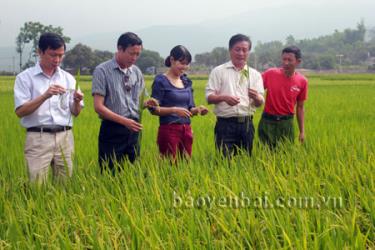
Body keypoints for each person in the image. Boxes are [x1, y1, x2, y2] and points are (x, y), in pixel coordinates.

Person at [14, 32, 84, 183]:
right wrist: (45, 95)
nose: (57, 60)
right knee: (37, 186)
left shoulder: (68, 78)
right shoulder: (25, 78)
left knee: (66, 185)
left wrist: (77, 102)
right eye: (53, 55)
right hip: (38, 137)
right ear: (40, 52)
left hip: (65, 137)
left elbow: (76, 113)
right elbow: (20, 111)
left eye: (61, 55)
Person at [92, 32, 156, 173]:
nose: (134, 58)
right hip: (113, 129)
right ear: (119, 49)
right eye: (131, 53)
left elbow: (134, 104)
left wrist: (145, 103)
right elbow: (98, 107)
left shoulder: (136, 72)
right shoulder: (102, 71)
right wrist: (124, 121)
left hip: (133, 130)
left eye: (137, 54)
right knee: (110, 173)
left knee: (132, 173)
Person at [205, 34, 264, 157]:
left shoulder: (255, 74)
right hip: (225, 125)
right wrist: (224, 98)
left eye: (245, 50)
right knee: (224, 162)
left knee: (245, 161)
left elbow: (259, 103)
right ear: (230, 50)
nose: (241, 53)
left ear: (249, 52)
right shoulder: (218, 71)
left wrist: (256, 97)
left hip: (247, 124)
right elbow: (209, 97)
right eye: (237, 49)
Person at [149, 45, 208, 160]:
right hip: (168, 130)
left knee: (184, 166)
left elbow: (190, 108)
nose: (185, 67)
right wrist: (174, 110)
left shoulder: (186, 81)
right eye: (182, 63)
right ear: (172, 60)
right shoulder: (161, 81)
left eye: (187, 64)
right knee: (168, 166)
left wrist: (198, 110)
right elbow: (153, 109)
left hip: (186, 130)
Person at [258, 46, 308, 148]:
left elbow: (300, 107)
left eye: (290, 60)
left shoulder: (302, 81)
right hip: (268, 121)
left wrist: (302, 131)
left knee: (285, 155)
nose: (286, 63)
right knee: (264, 154)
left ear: (298, 61)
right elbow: (256, 89)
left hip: (287, 123)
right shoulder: (270, 74)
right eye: (284, 59)